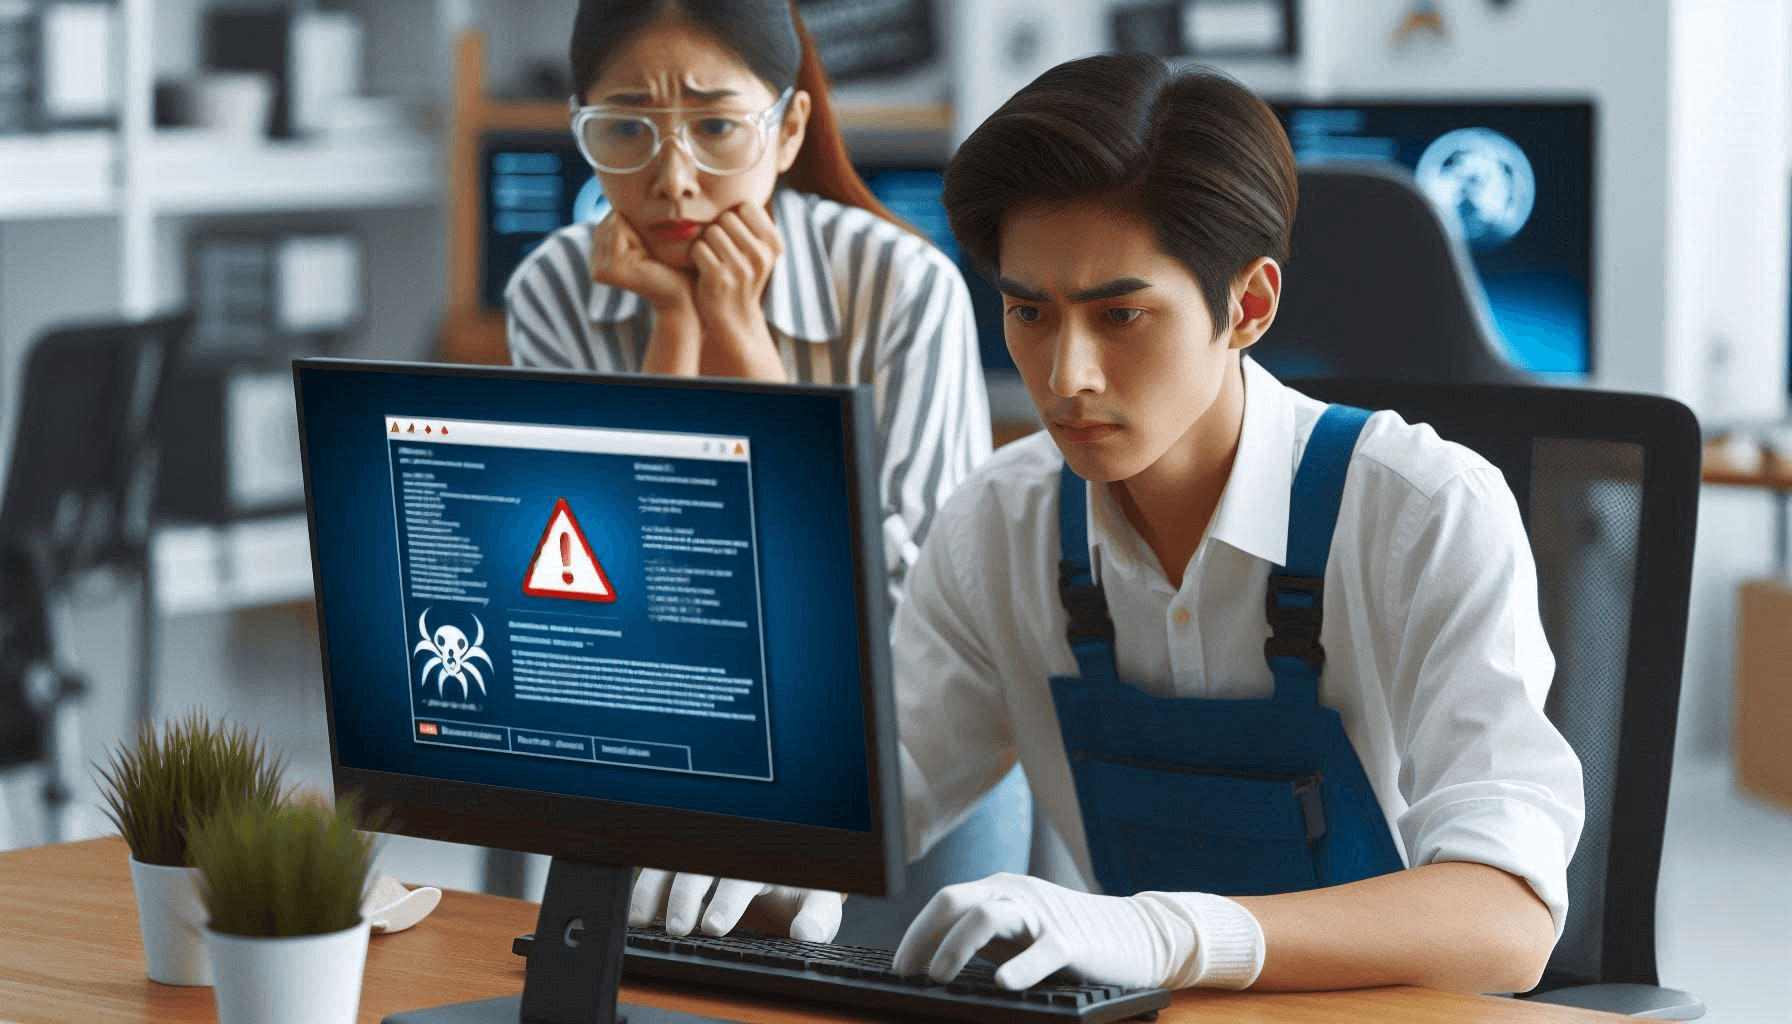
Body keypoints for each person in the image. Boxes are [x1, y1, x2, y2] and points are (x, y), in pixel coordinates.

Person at [636, 52, 1584, 996]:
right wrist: (777, 847)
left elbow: (1506, 922)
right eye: (1027, 312)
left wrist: (1171, 932)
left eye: (1120, 315)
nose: (1065, 376)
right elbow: (885, 791)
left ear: (1246, 305)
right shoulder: (1000, 528)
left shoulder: (1424, 515)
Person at [509, 0, 1026, 946]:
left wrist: (746, 347)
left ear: (787, 129)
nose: (672, 180)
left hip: (903, 756)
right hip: (671, 745)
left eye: (715, 127)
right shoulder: (556, 288)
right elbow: (606, 606)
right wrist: (674, 331)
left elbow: (922, 613)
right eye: (626, 128)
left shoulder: (903, 288)